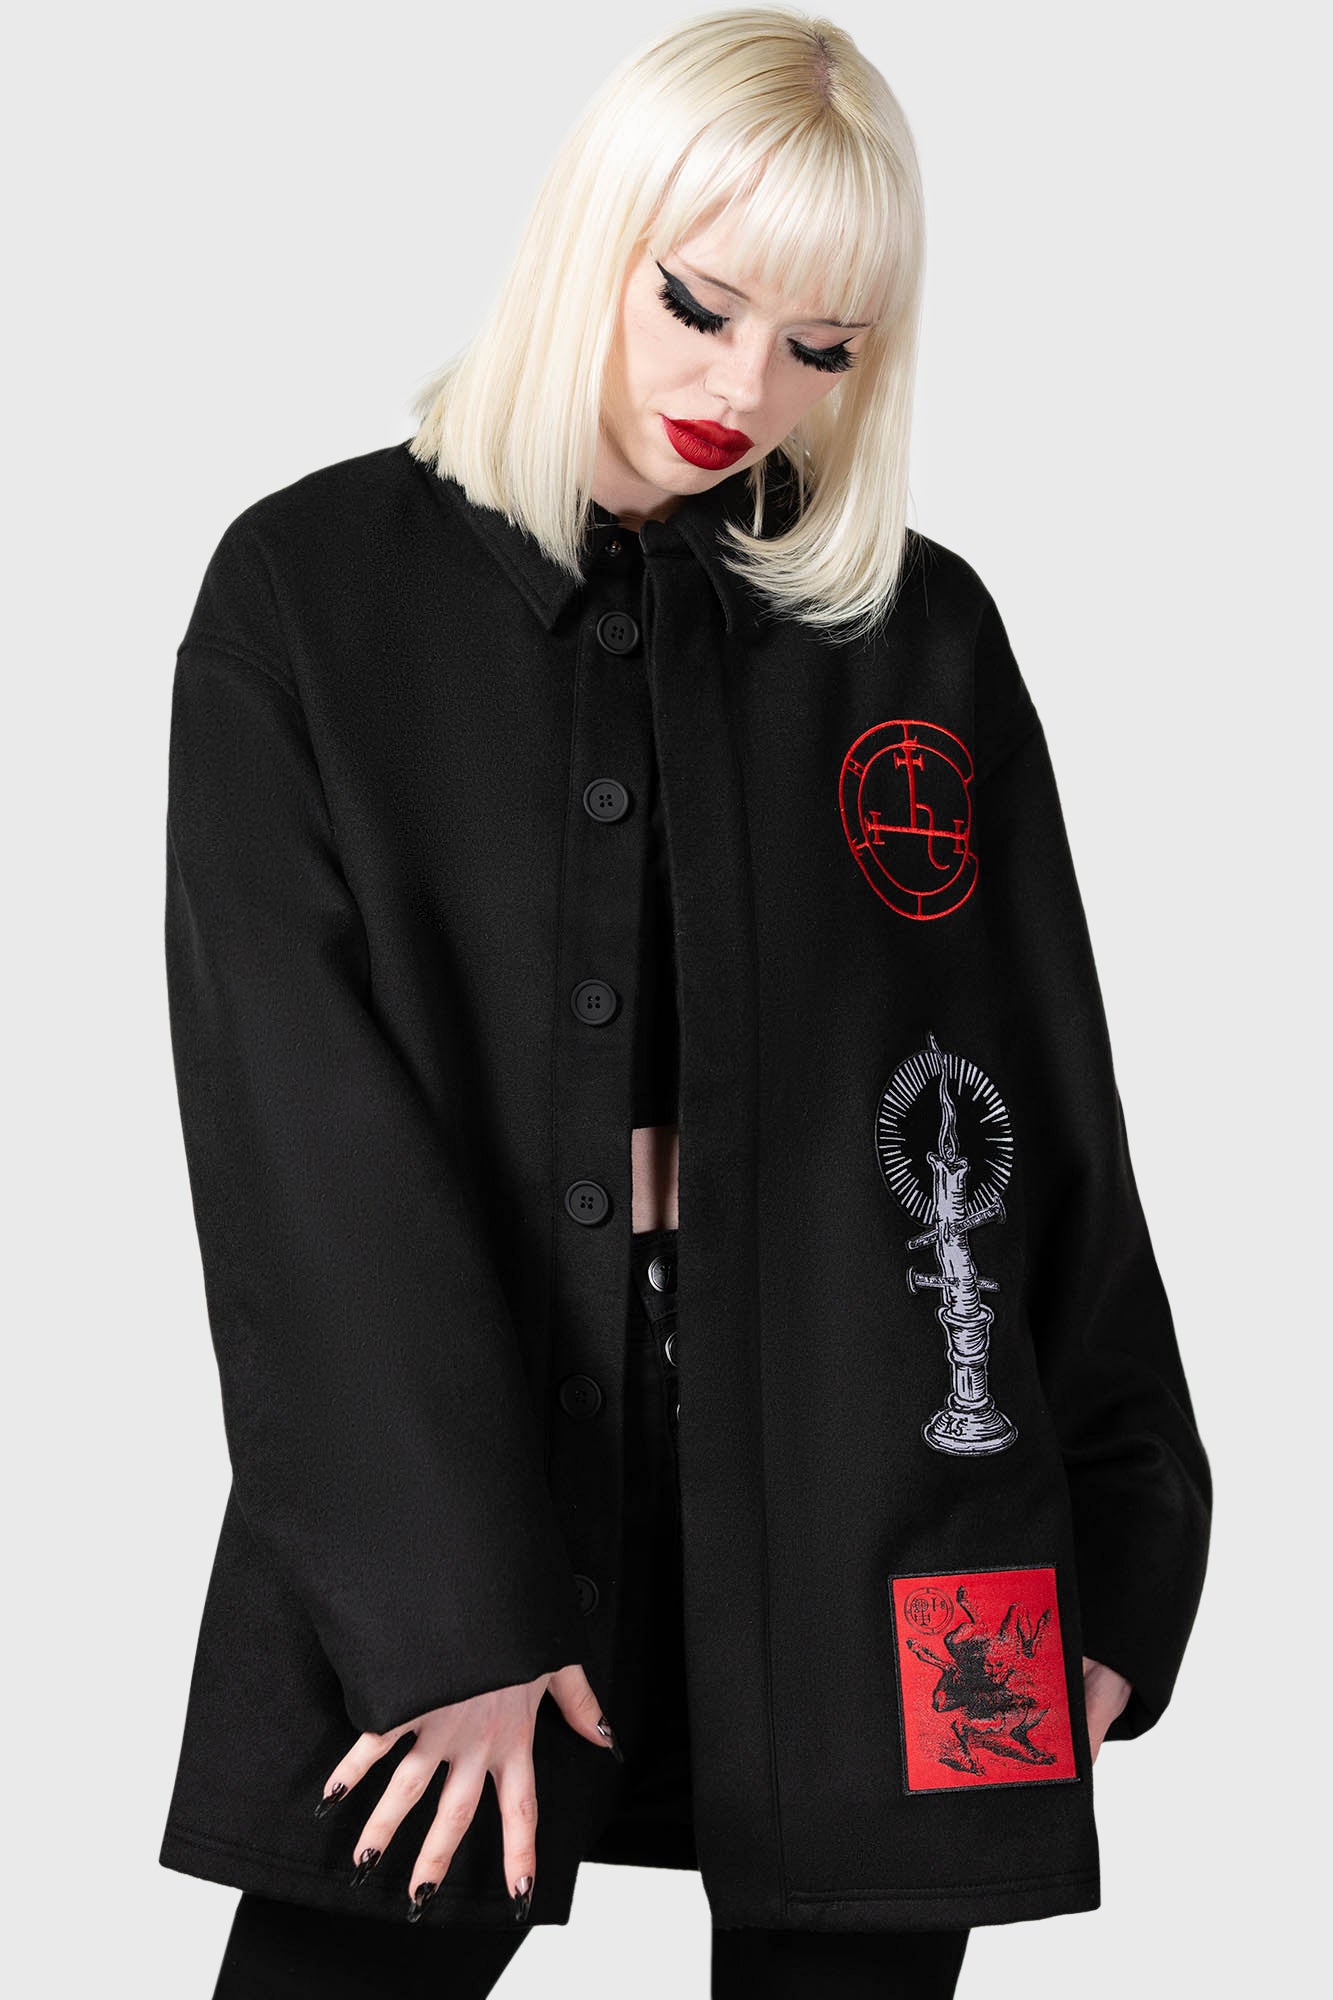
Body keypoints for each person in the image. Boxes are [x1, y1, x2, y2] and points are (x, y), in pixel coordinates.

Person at [158, 10, 1212, 1996]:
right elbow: (296, 1147)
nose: (746, 391)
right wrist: (440, 1615)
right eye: (700, 307)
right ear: (593, 236)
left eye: (822, 347)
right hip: (444, 1470)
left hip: (891, 1486)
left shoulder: (916, 632)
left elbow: (1034, 1101)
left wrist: (1121, 1534)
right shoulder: (309, 592)